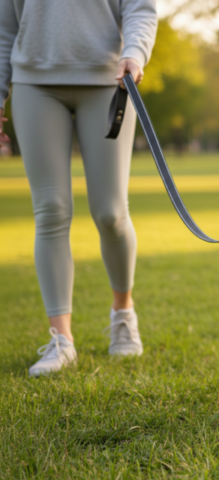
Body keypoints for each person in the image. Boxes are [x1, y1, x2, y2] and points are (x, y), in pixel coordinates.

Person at [0, 0, 158, 376]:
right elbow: (4, 26)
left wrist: (135, 53)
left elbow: (141, 8)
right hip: (33, 84)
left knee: (111, 212)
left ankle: (123, 315)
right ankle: (61, 340)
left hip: (109, 80)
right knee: (51, 209)